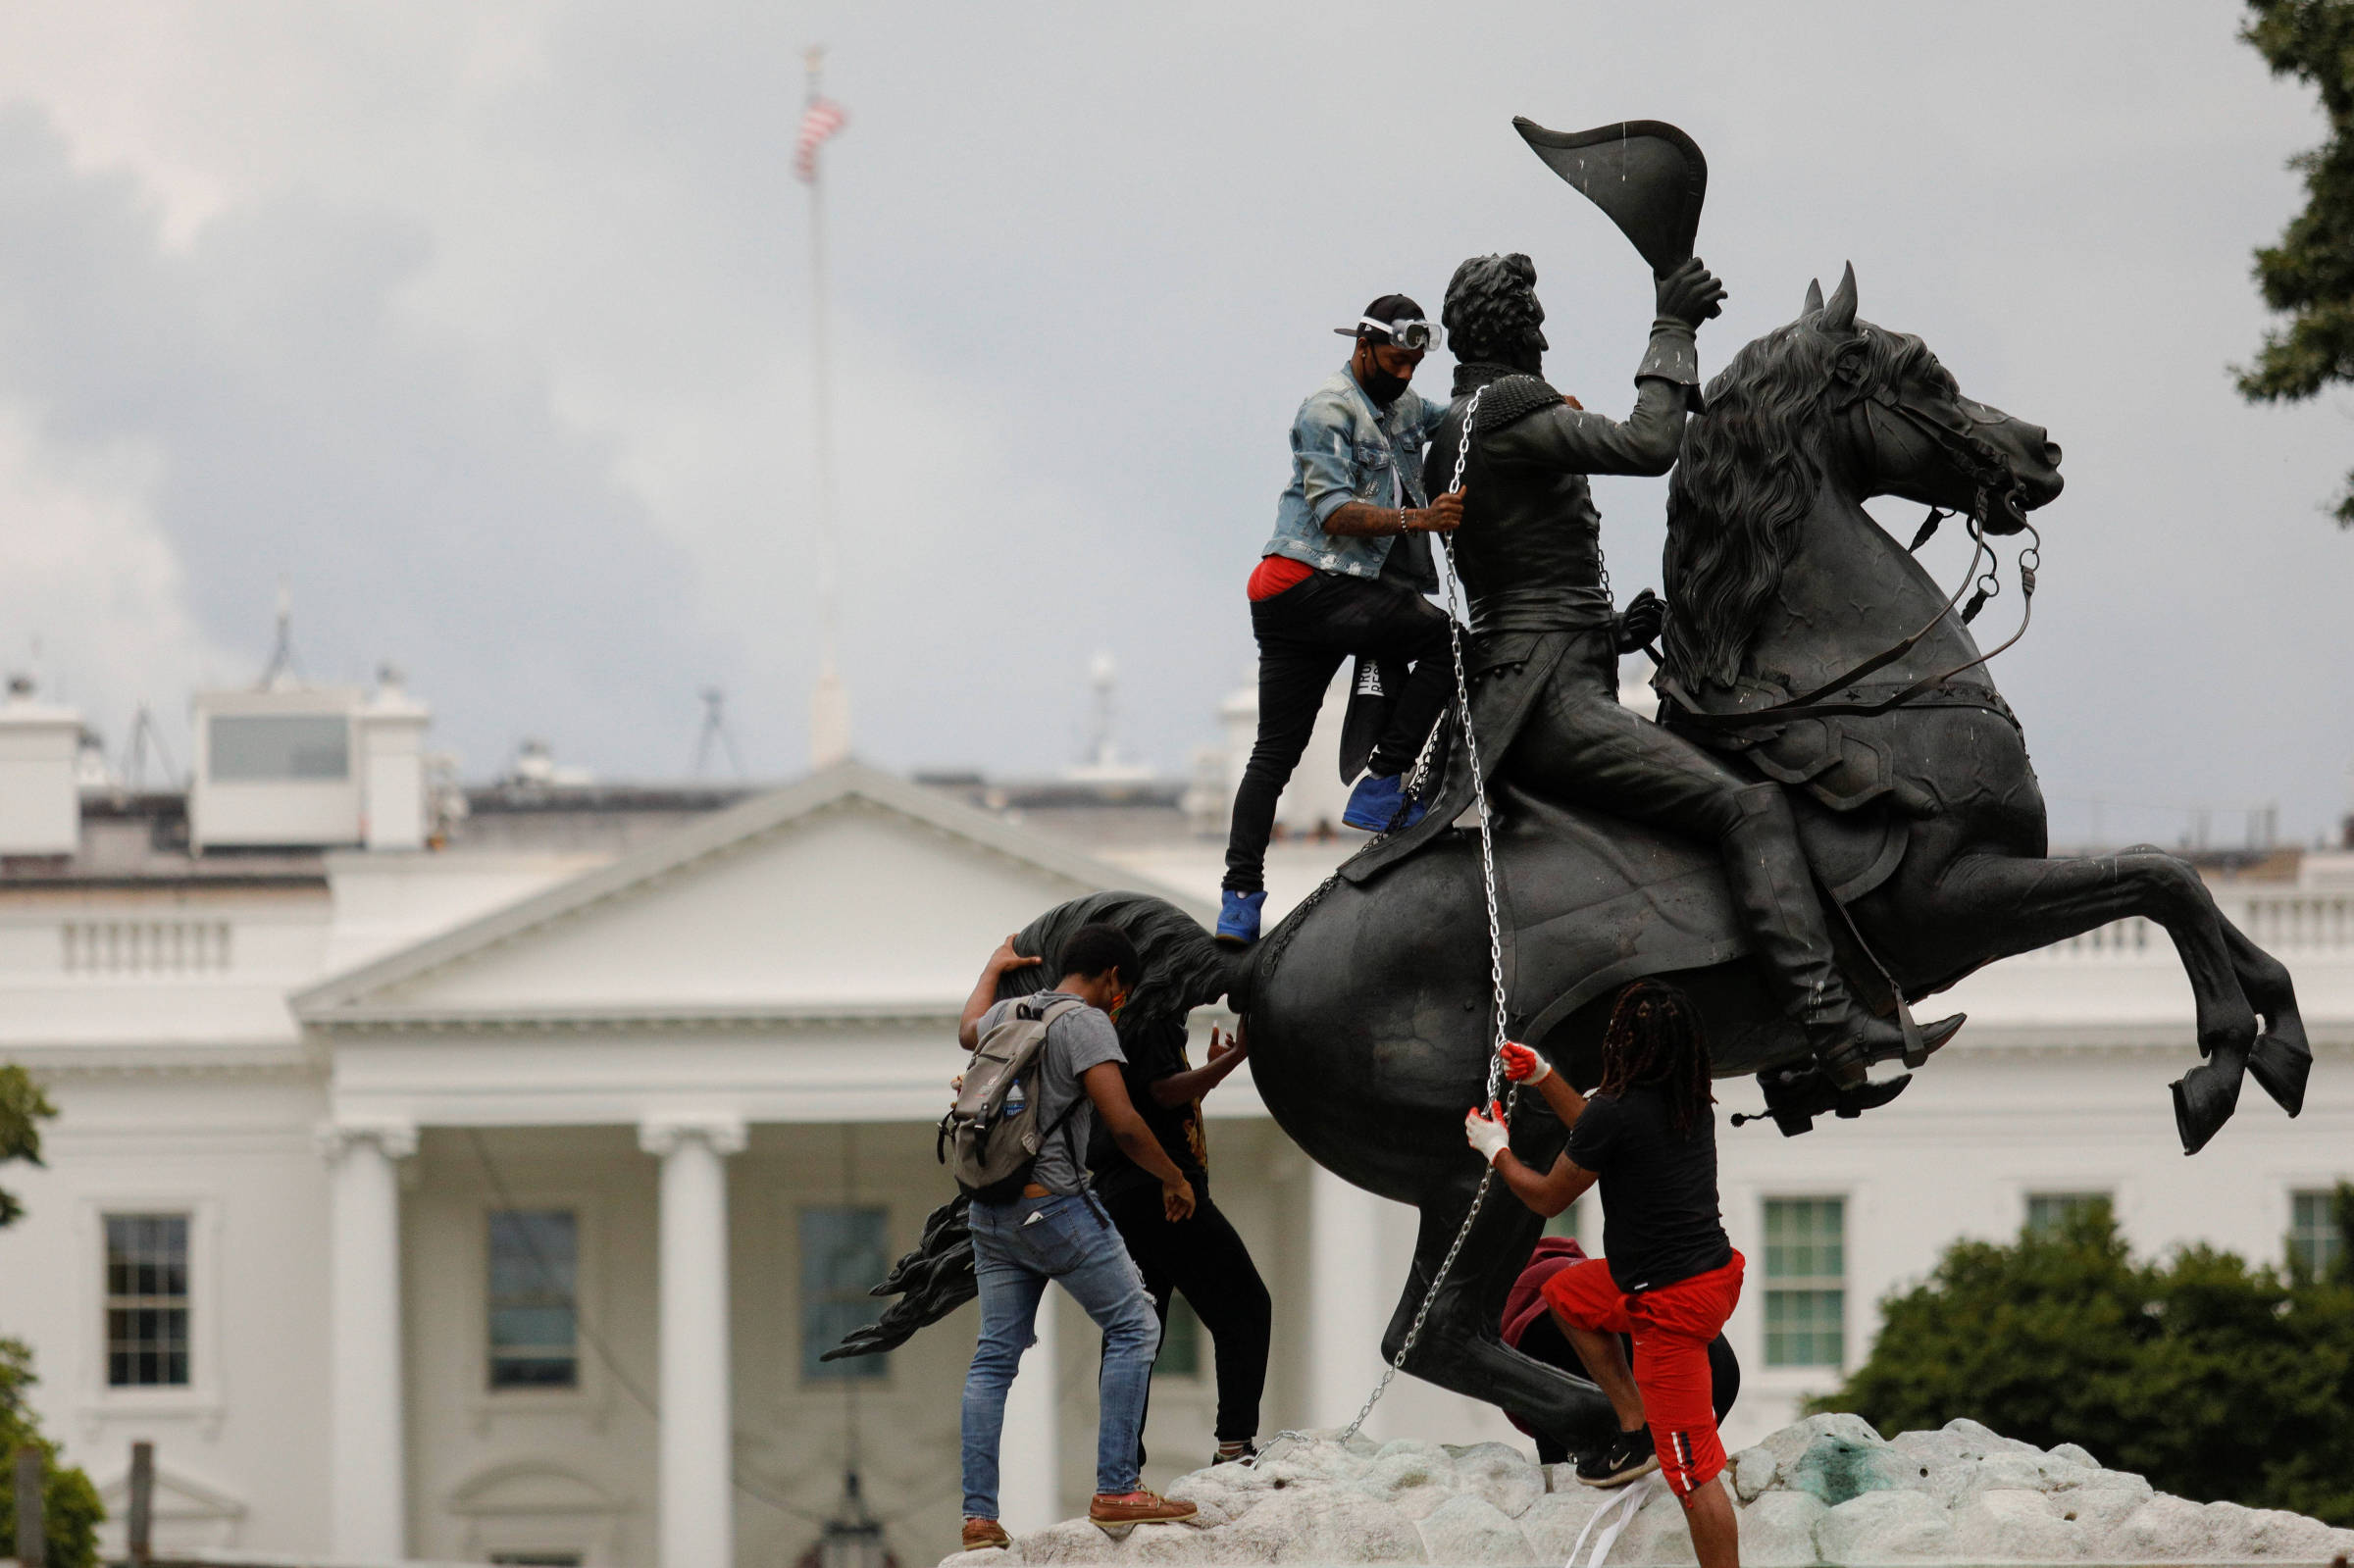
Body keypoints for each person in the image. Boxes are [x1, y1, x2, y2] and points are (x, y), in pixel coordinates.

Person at [1353, 253, 1960, 1086]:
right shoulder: (1503, 415)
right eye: (1534, 317)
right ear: (1514, 328)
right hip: (1551, 706)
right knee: (1747, 807)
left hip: (1552, 671)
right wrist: (1671, 326)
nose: (1544, 330)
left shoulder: (1467, 423)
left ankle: (1779, 1040)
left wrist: (1608, 628)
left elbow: (1519, 585)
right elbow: (1647, 444)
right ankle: (1827, 1024)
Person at [1463, 982, 1745, 1568]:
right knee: (1564, 1292)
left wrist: (1496, 1150)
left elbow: (1544, 1197)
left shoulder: (1620, 1112)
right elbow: (1595, 1128)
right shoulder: (1686, 1097)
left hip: (1670, 1306)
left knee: (1692, 1475)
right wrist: (1543, 1075)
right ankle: (1635, 1424)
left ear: (1624, 1044)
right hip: (1704, 1276)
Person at [1218, 294, 1467, 945]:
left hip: (1305, 596)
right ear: (1364, 346)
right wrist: (1420, 519)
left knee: (1275, 752)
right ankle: (1383, 781)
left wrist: (1543, 407)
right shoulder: (1327, 409)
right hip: (1308, 586)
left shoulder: (1404, 405)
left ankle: (1238, 901)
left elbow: (1461, 420)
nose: (1408, 372)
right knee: (1451, 643)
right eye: (1396, 359)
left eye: (1416, 362)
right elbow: (1333, 513)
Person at [954, 925, 1201, 1550]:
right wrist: (1174, 1178)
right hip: (1054, 1206)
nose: (1121, 1002)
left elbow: (966, 1030)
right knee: (1135, 1325)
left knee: (993, 1361)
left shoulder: (1011, 1012)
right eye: (1123, 990)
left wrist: (992, 965)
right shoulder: (1086, 1023)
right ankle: (1118, 1487)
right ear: (1113, 978)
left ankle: (979, 1516)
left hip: (990, 1210)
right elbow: (1124, 1125)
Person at [1090, 1017, 1271, 1470]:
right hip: (1163, 1194)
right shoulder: (1153, 1013)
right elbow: (1161, 1093)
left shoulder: (1117, 1020)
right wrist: (1233, 1058)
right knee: (1246, 1306)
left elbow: (1161, 1109)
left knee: (1137, 1330)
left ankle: (1120, 1466)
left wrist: (1212, 1071)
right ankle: (1233, 1446)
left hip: (1123, 1195)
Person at [1501, 1236, 1739, 1466]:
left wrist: (1553, 1469)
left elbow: (1545, 1403)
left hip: (1668, 1362)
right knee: (1687, 1473)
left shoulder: (1521, 1298)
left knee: (1656, 1467)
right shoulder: (1576, 1271)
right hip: (1719, 1360)